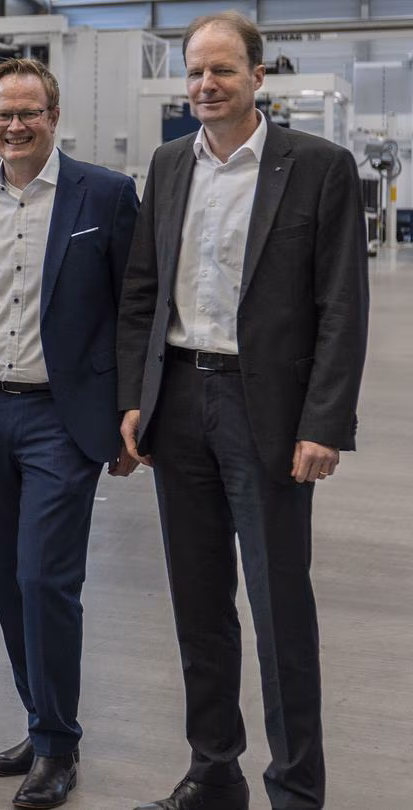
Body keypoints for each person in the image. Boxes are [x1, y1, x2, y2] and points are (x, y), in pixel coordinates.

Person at [117, 13, 369, 810]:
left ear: (259, 76)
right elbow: (142, 292)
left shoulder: (317, 166)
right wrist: (136, 397)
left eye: (222, 70)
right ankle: (213, 771)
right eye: (195, 71)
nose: (206, 84)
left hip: (268, 411)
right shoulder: (168, 164)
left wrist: (323, 423)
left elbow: (341, 306)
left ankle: (295, 789)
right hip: (179, 401)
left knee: (278, 606)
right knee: (199, 604)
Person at [0, 58, 139, 809]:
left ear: (54, 116)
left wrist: (130, 415)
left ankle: (57, 745)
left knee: (45, 580)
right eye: (3, 114)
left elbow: (133, 309)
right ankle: (40, 716)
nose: (15, 126)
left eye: (29, 112)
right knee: (4, 580)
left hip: (63, 417)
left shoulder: (105, 194)